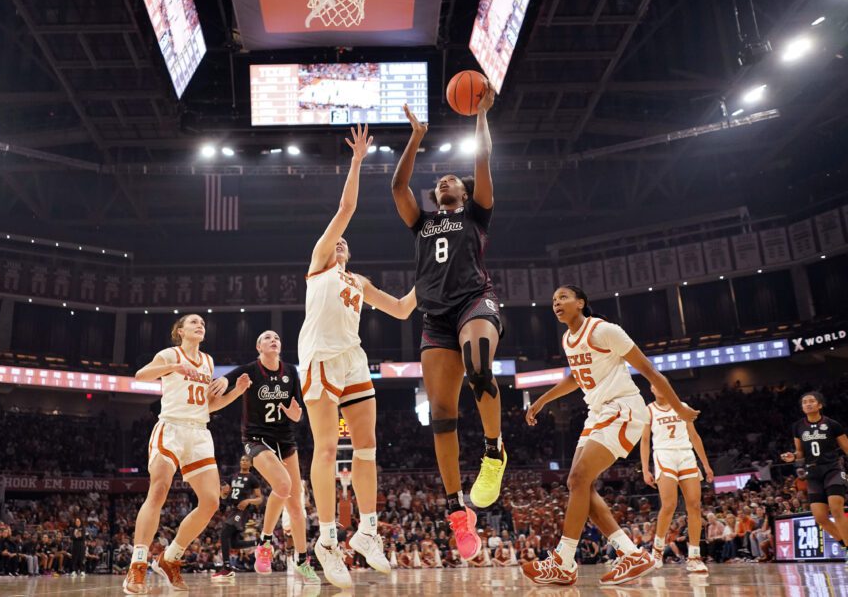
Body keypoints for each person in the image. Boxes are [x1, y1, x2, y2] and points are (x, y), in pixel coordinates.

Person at [298, 123, 417, 589]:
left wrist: (432, 275)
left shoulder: (359, 282)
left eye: (345, 243)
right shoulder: (318, 264)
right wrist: (357, 161)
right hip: (319, 359)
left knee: (366, 448)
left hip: (352, 359)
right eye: (337, 241)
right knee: (327, 447)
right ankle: (327, 538)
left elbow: (404, 310)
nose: (341, 243)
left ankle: (367, 532)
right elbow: (347, 208)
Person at [391, 88, 506, 563]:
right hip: (435, 318)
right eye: (439, 182)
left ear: (463, 192)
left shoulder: (478, 214)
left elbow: (482, 162)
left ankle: (495, 452)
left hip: (475, 302)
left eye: (450, 180)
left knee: (478, 368)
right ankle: (457, 512)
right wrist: (416, 138)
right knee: (441, 414)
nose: (445, 183)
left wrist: (480, 115)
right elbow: (398, 188)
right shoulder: (422, 223)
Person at [522, 285, 699, 586]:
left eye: (563, 297)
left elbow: (650, 371)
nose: (556, 303)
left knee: (578, 479)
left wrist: (680, 410)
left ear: (581, 302)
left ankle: (563, 561)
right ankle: (631, 554)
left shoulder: (605, 330)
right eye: (553, 300)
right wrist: (542, 400)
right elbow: (575, 378)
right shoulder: (568, 339)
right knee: (577, 484)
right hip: (598, 413)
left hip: (623, 408)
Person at [123, 314, 246, 594]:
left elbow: (209, 405)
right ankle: (137, 565)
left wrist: (236, 393)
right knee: (159, 489)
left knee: (211, 502)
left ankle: (170, 558)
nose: (199, 325)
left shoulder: (209, 361)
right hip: (172, 427)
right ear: (179, 331)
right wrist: (175, 366)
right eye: (193, 322)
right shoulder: (170, 354)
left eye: (202, 322)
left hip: (200, 432)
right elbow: (140, 375)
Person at [215, 330, 320, 584]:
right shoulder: (249, 370)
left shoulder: (291, 372)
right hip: (256, 440)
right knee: (283, 485)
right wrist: (217, 384)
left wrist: (296, 415)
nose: (274, 340)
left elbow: (298, 413)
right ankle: (264, 542)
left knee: (297, 508)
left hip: (286, 441)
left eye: (277, 338)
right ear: (258, 347)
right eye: (267, 338)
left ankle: (302, 560)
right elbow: (222, 386)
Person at [640, 383, 713, 573]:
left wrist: (705, 465)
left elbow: (695, 436)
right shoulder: (648, 410)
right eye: (655, 385)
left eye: (662, 384)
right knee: (669, 504)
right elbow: (645, 440)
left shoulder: (682, 406)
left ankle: (694, 557)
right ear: (652, 390)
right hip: (664, 455)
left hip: (686, 454)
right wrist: (645, 469)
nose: (659, 388)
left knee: (695, 505)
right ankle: (657, 551)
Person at [780, 391, 848, 557]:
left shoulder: (832, 424)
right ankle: (845, 546)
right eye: (805, 402)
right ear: (802, 407)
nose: (808, 404)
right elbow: (800, 452)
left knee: (836, 509)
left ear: (819, 405)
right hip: (813, 472)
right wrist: (793, 456)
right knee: (820, 517)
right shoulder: (798, 427)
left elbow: (846, 448)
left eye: (812, 401)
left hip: (833, 469)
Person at [209, 457, 264, 583]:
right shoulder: (232, 476)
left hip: (242, 511)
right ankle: (258, 543)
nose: (243, 462)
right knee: (233, 543)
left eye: (246, 460)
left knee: (224, 533)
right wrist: (222, 493)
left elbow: (260, 498)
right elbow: (224, 493)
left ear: (251, 464)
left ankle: (227, 568)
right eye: (242, 460)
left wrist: (248, 500)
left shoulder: (252, 478)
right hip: (233, 510)